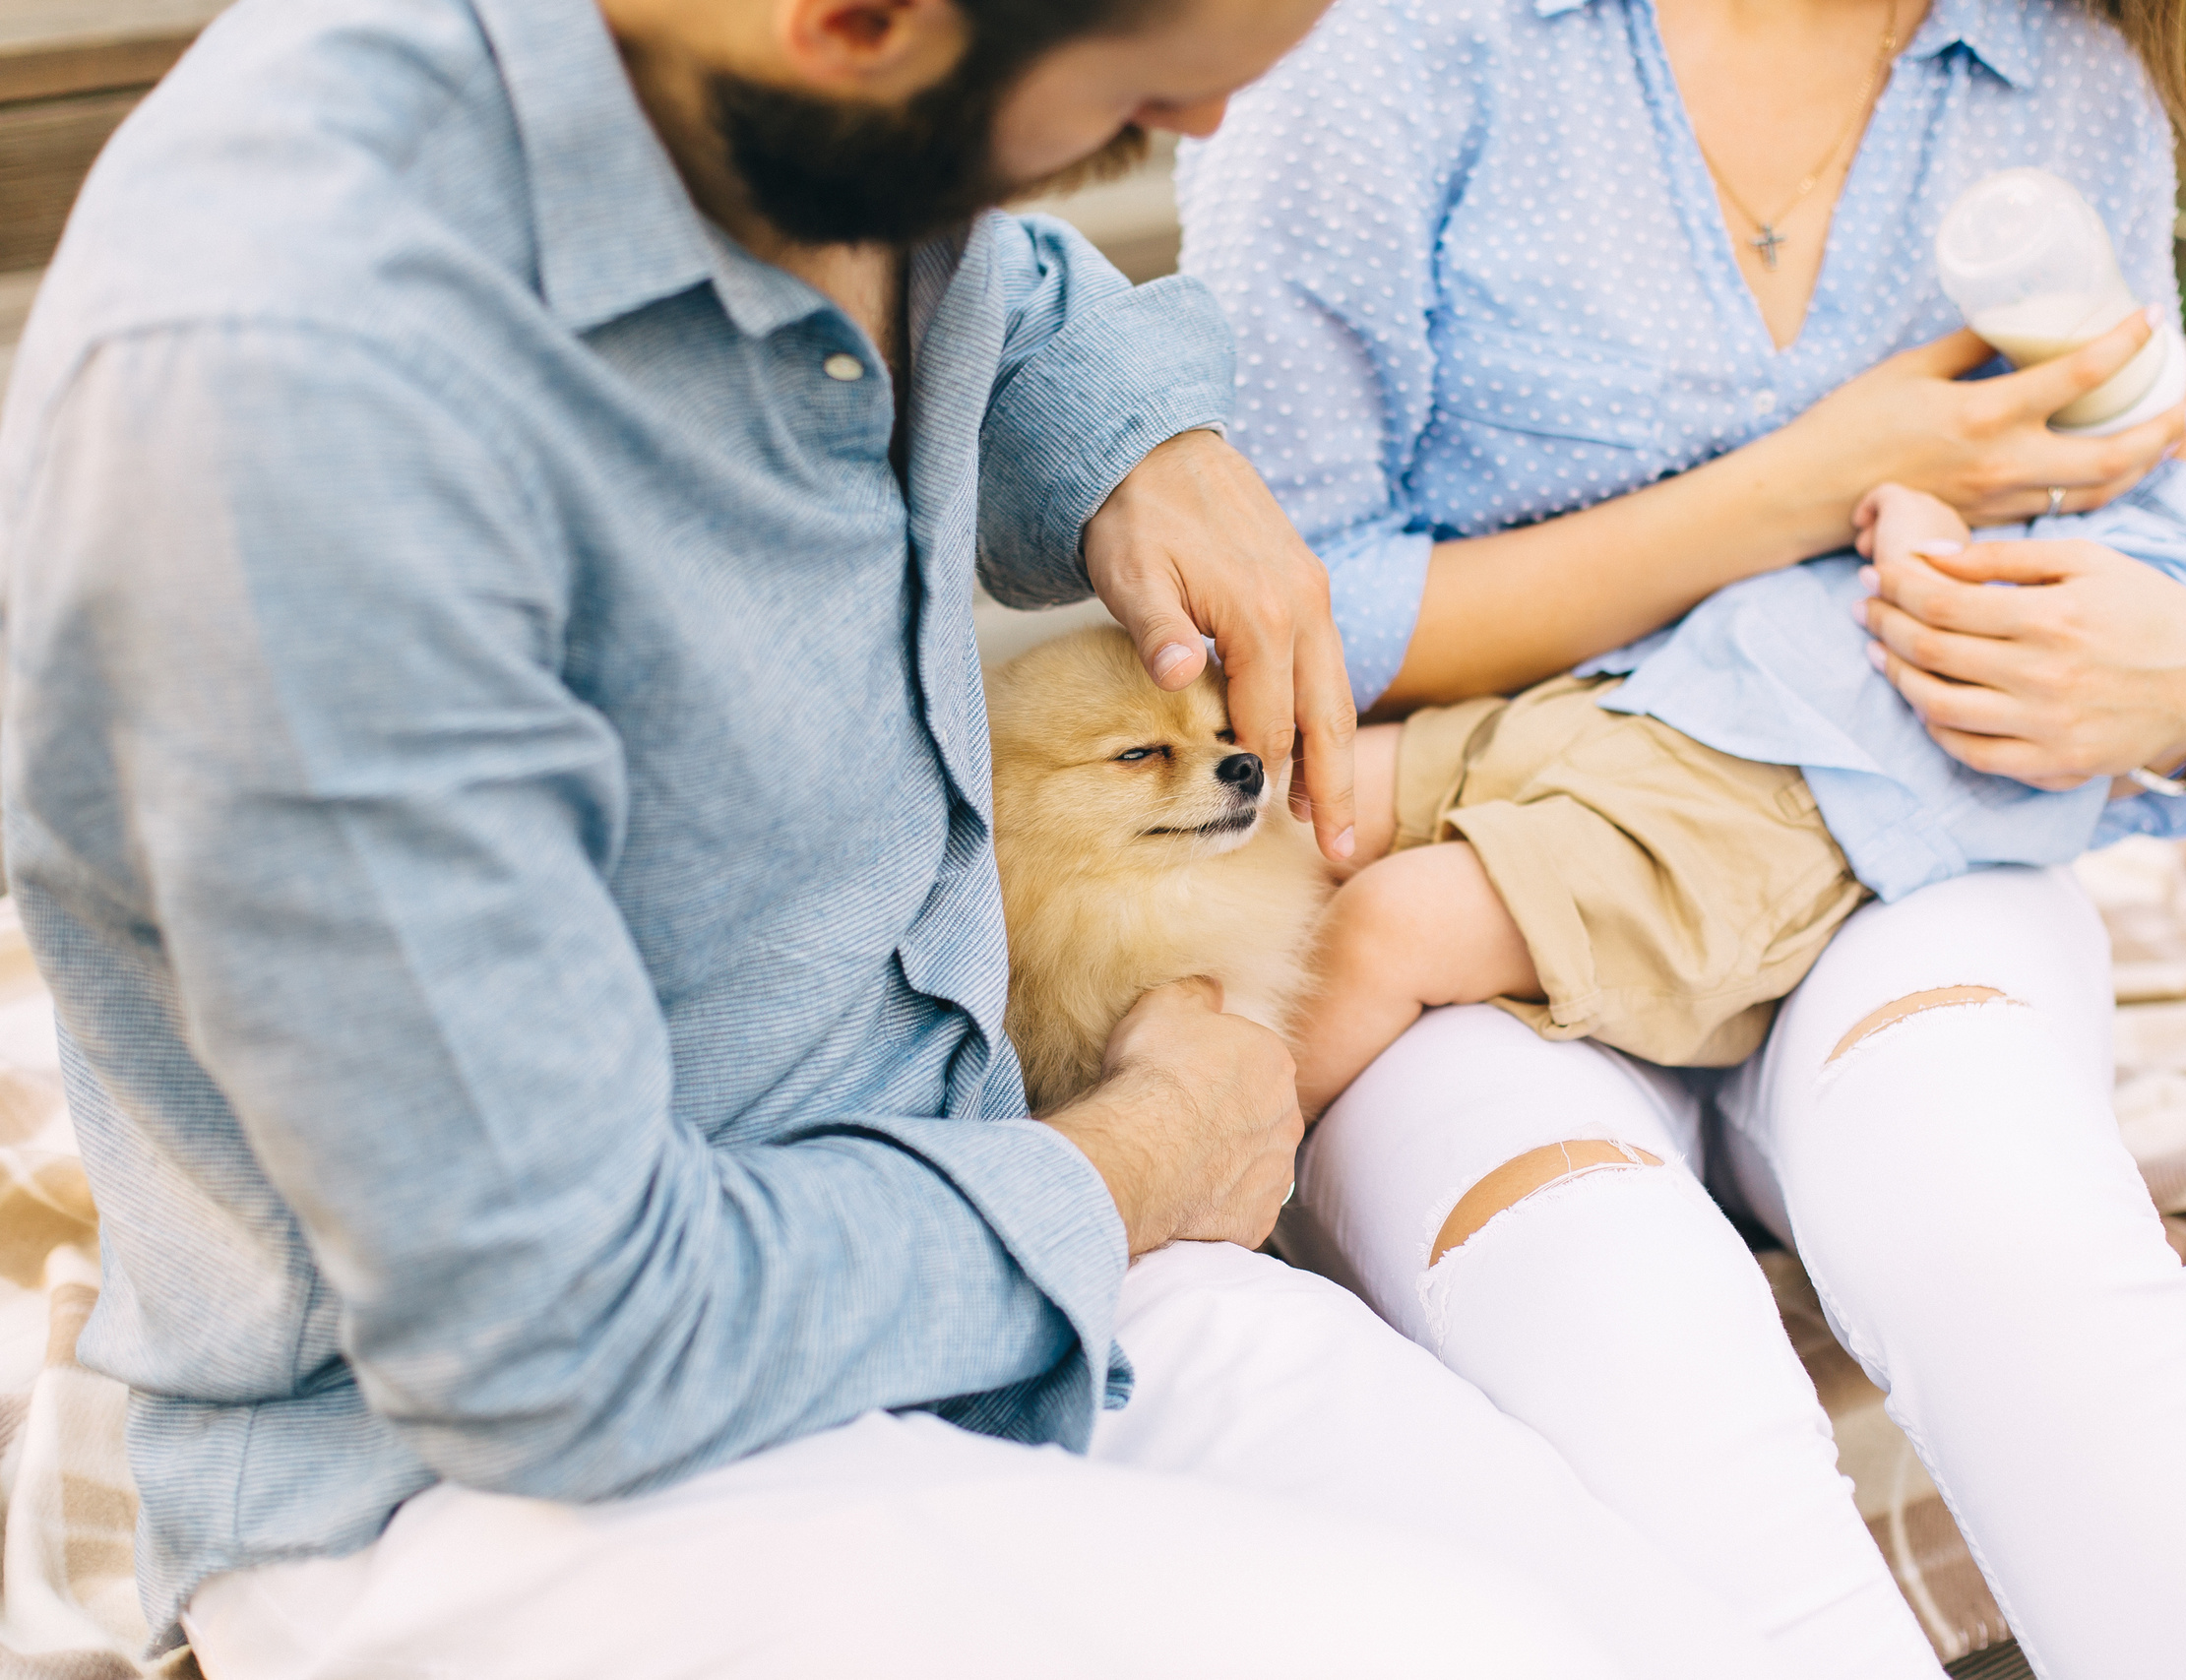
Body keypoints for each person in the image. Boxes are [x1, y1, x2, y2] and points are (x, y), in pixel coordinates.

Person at [0, 0, 1796, 1674]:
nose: (1208, 125)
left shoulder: (805, 107)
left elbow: (994, 269)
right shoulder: (285, 416)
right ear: (854, 25)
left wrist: (1127, 428)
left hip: (997, 1254)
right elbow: (561, 1340)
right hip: (516, 1475)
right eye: (1138, 98)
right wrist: (1140, 1160)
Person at [1179, 0, 2186, 1672]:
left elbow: (2153, 528)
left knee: (2002, 1217)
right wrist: (1804, 485)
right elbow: (1278, 622)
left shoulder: (2066, 66)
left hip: (1893, 843)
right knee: (1616, 1324)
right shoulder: (1387, 45)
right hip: (1496, 808)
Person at [1295, 322, 2186, 1104]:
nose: (2179, 382)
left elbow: (1966, 620)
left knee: (1392, 922)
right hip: (1648, 703)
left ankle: (1243, 1155)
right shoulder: (2092, 484)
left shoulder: (2180, 571)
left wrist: (1920, 523)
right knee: (1313, 799)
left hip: (1745, 825)